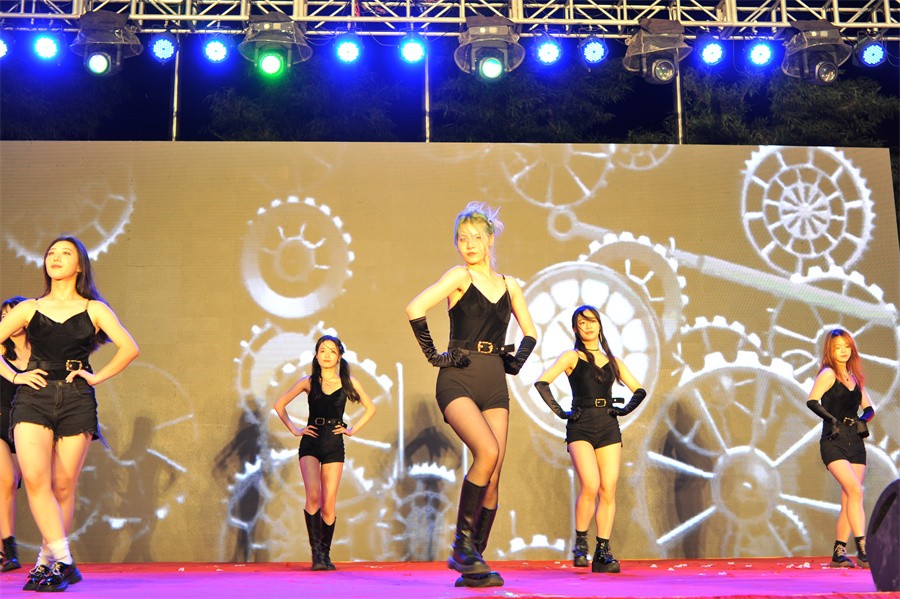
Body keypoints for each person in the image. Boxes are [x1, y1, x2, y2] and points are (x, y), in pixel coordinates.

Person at [405, 202, 537, 588]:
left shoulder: (510, 285)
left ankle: (473, 561)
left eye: (476, 237)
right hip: (458, 379)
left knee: (493, 478)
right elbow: (415, 308)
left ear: (490, 240)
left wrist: (515, 362)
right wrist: (435, 356)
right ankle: (462, 547)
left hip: (494, 382)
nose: (469, 244)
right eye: (462, 239)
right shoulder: (459, 276)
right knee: (488, 453)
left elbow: (530, 332)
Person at [0, 236, 139, 592]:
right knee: (35, 480)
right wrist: (15, 376)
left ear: (79, 266)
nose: (56, 258)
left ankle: (46, 563)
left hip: (77, 398)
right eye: (51, 253)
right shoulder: (29, 308)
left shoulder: (94, 309)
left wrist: (97, 377)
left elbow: (129, 348)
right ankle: (64, 559)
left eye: (65, 254)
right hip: (33, 397)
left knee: (62, 486)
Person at [534, 305, 646, 573]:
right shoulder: (571, 357)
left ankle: (602, 552)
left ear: (599, 325)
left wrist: (623, 410)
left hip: (608, 426)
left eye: (592, 321)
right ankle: (581, 542)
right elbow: (542, 382)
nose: (587, 326)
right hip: (581, 426)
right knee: (591, 484)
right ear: (575, 329)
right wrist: (561, 412)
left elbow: (639, 390)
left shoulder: (612, 361)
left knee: (608, 488)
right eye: (581, 323)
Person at [274, 334, 376, 571]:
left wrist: (351, 430)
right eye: (322, 350)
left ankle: (326, 554)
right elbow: (279, 405)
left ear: (339, 356)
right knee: (313, 496)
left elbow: (371, 407)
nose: (327, 355)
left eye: (332, 351)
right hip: (311, 442)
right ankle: (317, 556)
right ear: (316, 355)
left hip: (334, 444)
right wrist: (296, 430)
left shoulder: (348, 381)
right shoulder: (308, 382)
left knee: (328, 503)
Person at [805, 328, 875, 569]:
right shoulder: (828, 374)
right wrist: (832, 419)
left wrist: (863, 420)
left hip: (855, 442)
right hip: (833, 440)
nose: (843, 351)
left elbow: (869, 408)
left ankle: (839, 552)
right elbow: (812, 400)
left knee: (850, 496)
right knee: (855, 490)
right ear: (830, 351)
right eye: (838, 347)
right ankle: (863, 550)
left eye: (847, 346)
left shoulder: (854, 378)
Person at [0, 296, 29, 572]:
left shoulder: (41, 351)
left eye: (13, 314)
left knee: (14, 486)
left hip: (24, 422)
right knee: (6, 481)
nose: (7, 320)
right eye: (3, 316)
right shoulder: (0, 349)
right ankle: (8, 550)